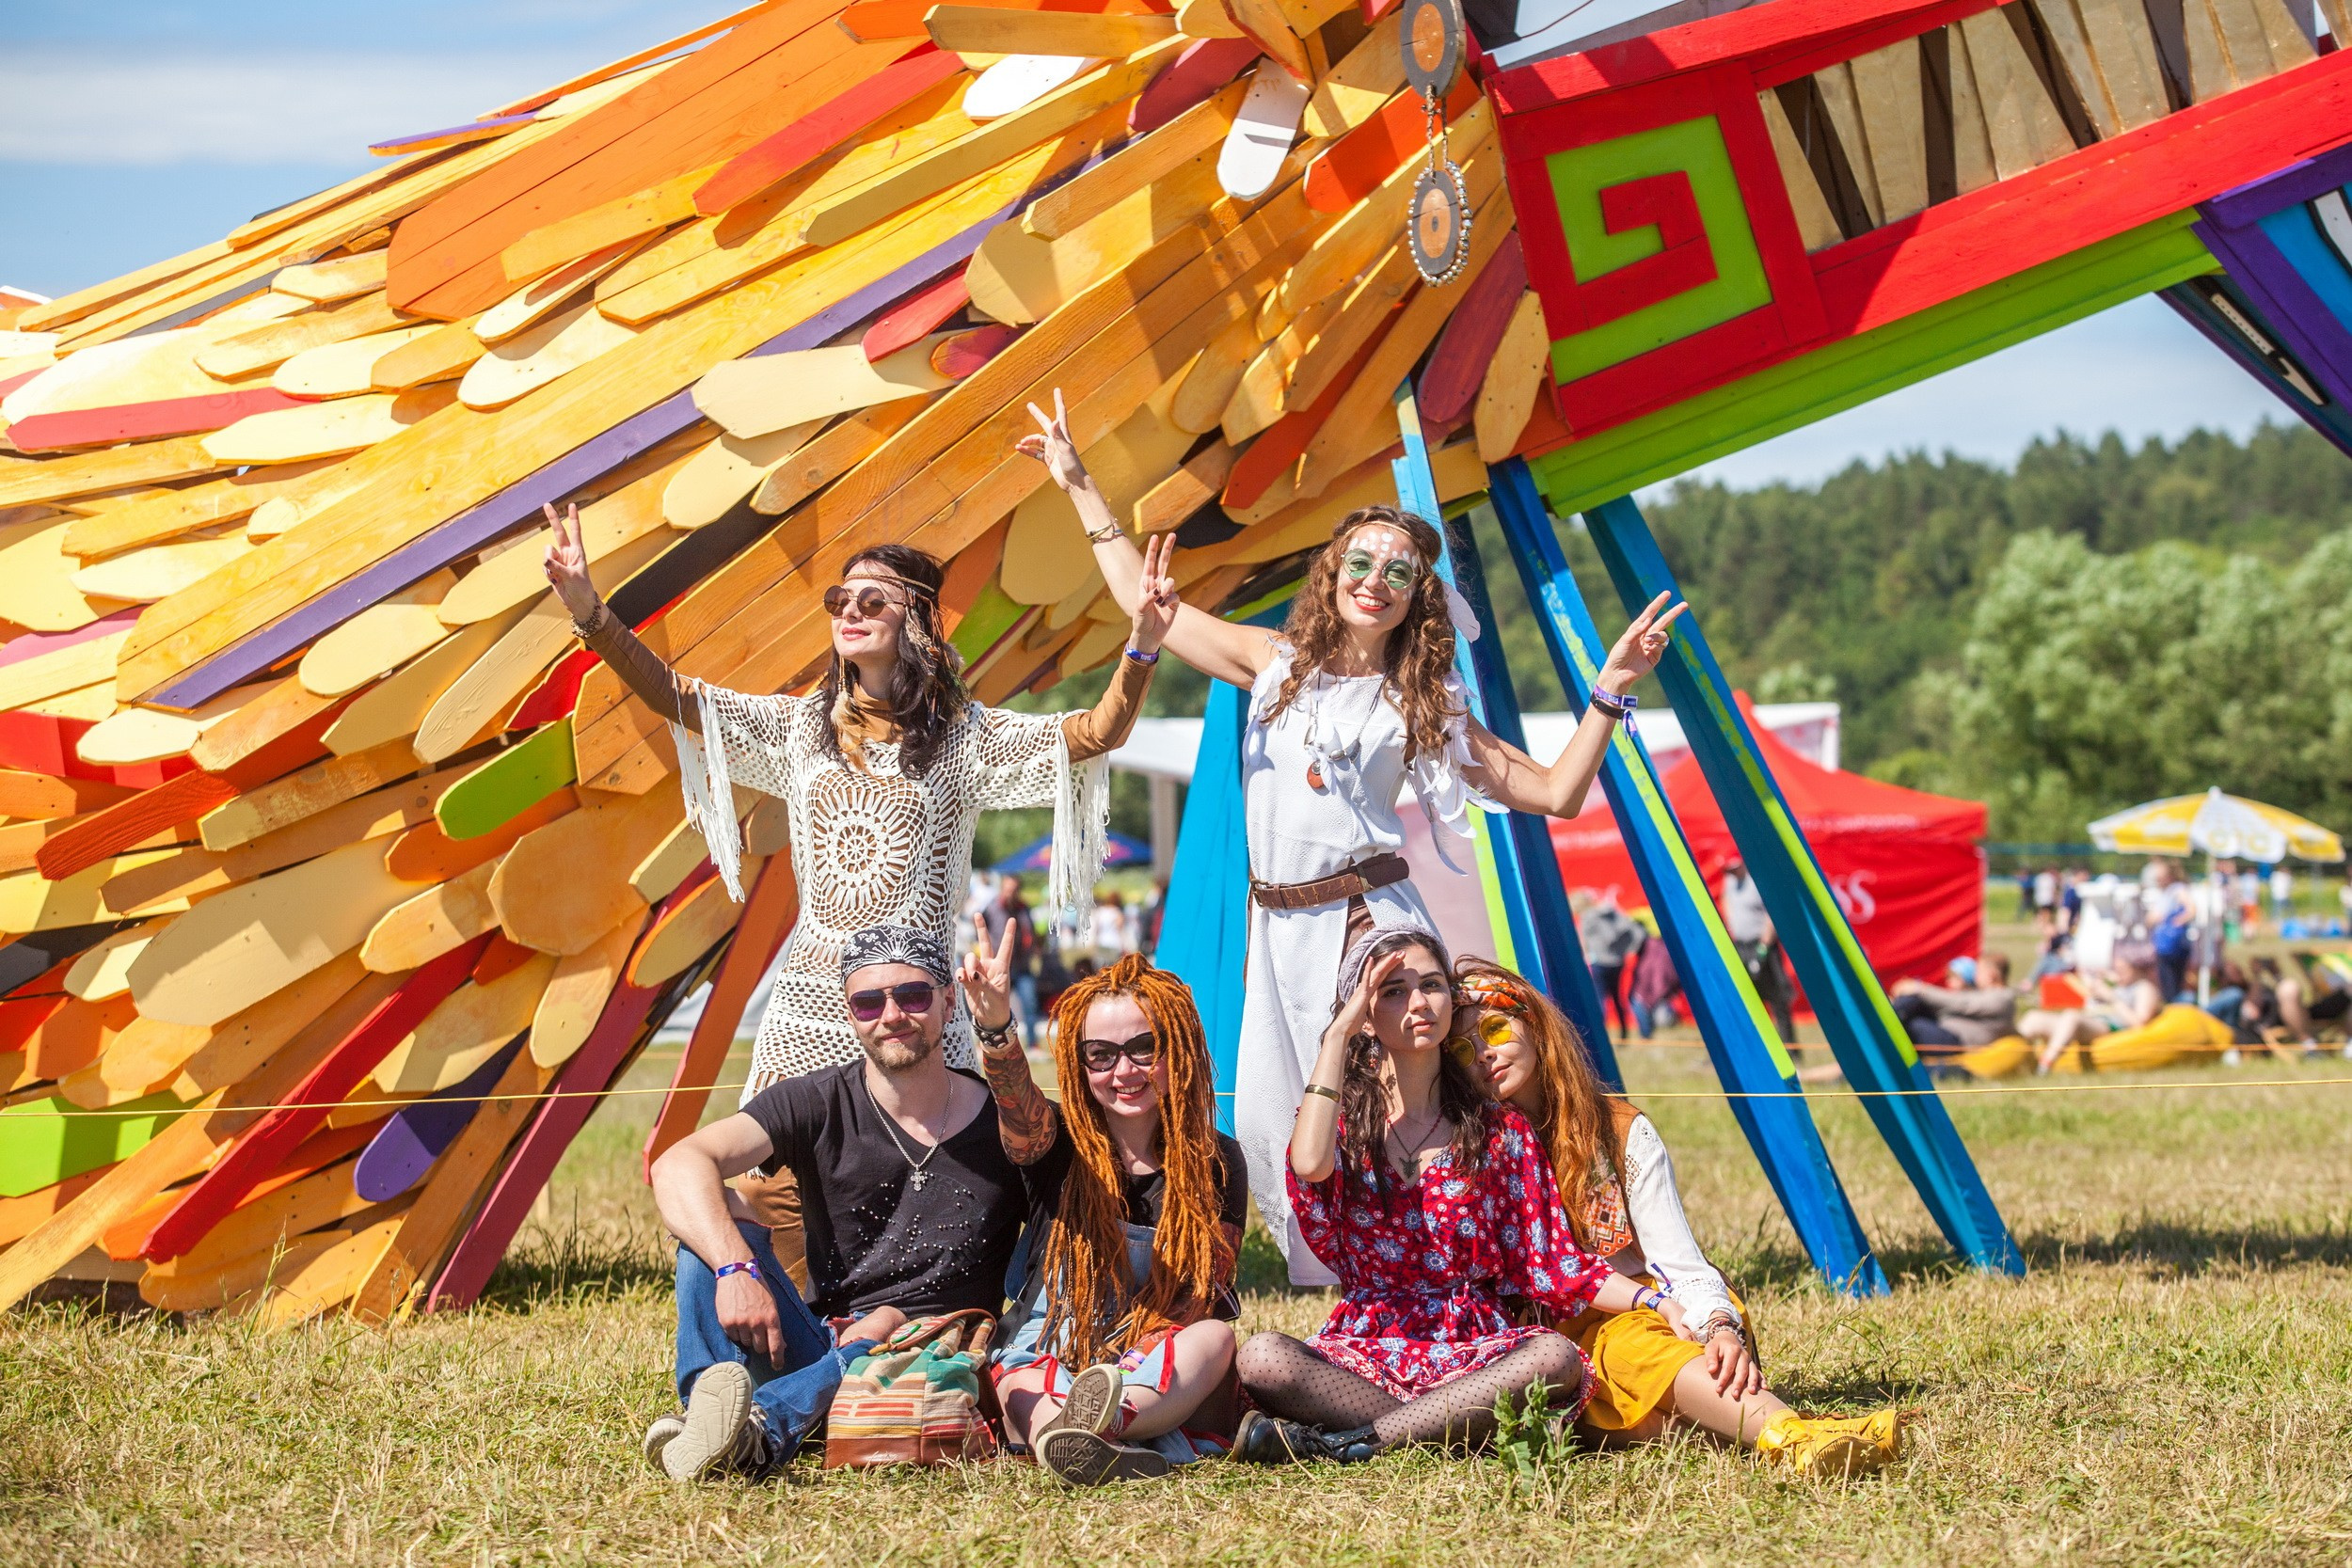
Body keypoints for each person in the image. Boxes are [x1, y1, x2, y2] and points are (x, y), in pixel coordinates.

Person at [1021, 390, 1682, 1284]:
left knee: (1394, 1090)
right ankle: (1371, 1274)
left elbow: (1557, 792)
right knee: (1285, 1112)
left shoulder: (1425, 702)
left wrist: (1610, 688)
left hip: (1371, 920)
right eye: (1361, 561)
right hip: (1279, 929)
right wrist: (1079, 486)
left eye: (1399, 570)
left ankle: (1485, 1251)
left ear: (1418, 597)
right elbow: (1153, 610)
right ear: (1333, 573)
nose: (1375, 577)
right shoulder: (1272, 665)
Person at [546, 504, 1172, 1268]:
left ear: (917, 620)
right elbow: (679, 698)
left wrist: (1140, 644)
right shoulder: (799, 728)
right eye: (839, 601)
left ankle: (925, 1313)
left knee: (943, 1177)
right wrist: (592, 614)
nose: (850, 612)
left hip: (918, 998)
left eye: (872, 600)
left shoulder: (963, 737)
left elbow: (1093, 733)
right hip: (813, 998)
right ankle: (791, 1326)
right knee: (778, 1182)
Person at [1227, 926, 1658, 1465]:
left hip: (1473, 1347)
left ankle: (1353, 1441)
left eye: (1430, 985)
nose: (1417, 1003)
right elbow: (1309, 1165)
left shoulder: (1498, 1130)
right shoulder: (1344, 1122)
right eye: (1392, 991)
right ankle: (1438, 1430)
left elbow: (1549, 1264)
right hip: (1368, 1344)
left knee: (1554, 1357)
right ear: (1364, 1012)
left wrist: (1655, 1299)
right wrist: (1337, 1036)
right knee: (1264, 1357)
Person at [1455, 958, 1903, 1475]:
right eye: (1463, 1050)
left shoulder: (1620, 1130)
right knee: (1631, 1356)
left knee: (1668, 1346)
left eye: (1494, 1028)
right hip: (1559, 1333)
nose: (1484, 1054)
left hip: (1661, 1304)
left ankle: (1795, 1439)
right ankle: (1803, 1434)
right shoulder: (1471, 1147)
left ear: (1534, 1024)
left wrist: (1719, 1326)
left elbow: (1680, 1264)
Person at [641, 924, 1035, 1481]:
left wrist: (998, 1029)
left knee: (862, 1351)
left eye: (913, 995)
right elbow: (678, 1164)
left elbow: (1067, 1163)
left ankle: (737, 1430)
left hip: (945, 1361)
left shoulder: (1006, 1121)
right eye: (869, 1001)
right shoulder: (817, 1099)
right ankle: (711, 1410)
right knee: (718, 1214)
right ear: (850, 1014)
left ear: (950, 1004)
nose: (891, 1014)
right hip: (825, 1342)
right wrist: (735, 1265)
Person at [984, 955, 1248, 1485]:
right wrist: (997, 1032)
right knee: (1019, 1375)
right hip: (1050, 1350)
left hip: (1151, 1366)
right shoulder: (1055, 1143)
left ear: (1180, 1051)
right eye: (1099, 1055)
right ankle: (1061, 1438)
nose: (1123, 1072)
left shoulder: (1216, 1160)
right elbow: (1019, 1114)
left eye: (1144, 1048)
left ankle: (1101, 1427)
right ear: (1079, 1068)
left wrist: (1123, 1371)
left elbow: (1199, 1294)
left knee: (1214, 1338)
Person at [2018, 950, 2164, 1072]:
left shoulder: (2144, 988)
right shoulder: (2118, 984)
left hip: (2108, 1027)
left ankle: (2044, 1066)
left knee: (2071, 1016)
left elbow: (2139, 1023)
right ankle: (2011, 1058)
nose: (2119, 973)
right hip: (2089, 1019)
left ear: (2137, 968)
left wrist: (2112, 998)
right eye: (2116, 969)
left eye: (2123, 970)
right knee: (2034, 1017)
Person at [1720, 856, 1796, 1045]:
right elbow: (1726, 902)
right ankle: (1754, 1045)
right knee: (1746, 997)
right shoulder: (1729, 883)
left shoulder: (1757, 883)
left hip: (1764, 946)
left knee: (1777, 997)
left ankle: (1789, 1046)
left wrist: (1764, 945)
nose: (1731, 874)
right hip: (1742, 946)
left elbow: (1772, 914)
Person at [1889, 954, 2017, 1054]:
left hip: (1957, 1041)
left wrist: (1921, 989)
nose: (1975, 975)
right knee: (1914, 1002)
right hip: (1945, 1029)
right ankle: (1888, 1013)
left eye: (1978, 971)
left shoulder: (2003, 998)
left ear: (1991, 975)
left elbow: (1963, 1004)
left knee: (1914, 1025)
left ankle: (1887, 1020)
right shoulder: (1985, 994)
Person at [1576, 890, 1645, 1043]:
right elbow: (1632, 931)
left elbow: (1583, 940)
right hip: (1617, 962)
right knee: (1617, 998)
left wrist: (1587, 955)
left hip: (1598, 963)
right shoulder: (1613, 913)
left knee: (1600, 1000)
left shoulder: (1588, 916)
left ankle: (1600, 1038)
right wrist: (1625, 951)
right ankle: (1624, 1034)